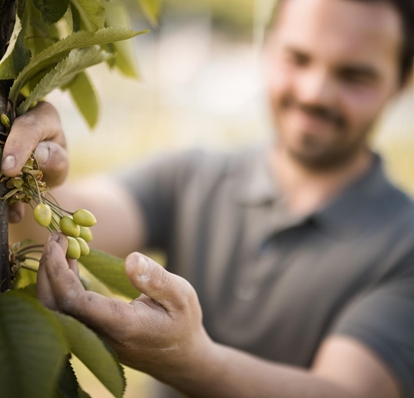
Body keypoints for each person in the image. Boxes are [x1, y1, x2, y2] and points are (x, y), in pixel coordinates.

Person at [3, 0, 414, 397]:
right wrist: (26, 163)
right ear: (267, 47)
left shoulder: (404, 247)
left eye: (354, 76)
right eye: (298, 58)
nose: (314, 92)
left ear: (404, 80)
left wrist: (189, 358)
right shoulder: (194, 176)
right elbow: (46, 226)